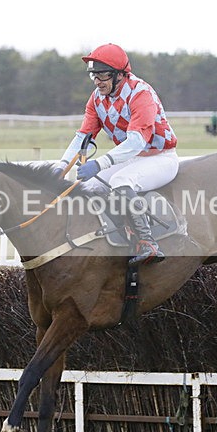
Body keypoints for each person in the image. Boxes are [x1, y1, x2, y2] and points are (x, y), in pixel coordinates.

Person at [53, 43, 178, 266]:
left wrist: (99, 164)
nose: (97, 81)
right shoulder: (96, 99)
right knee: (88, 187)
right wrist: (60, 167)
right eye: (94, 75)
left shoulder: (141, 94)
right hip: (131, 158)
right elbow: (82, 136)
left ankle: (148, 244)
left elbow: (136, 142)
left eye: (102, 75)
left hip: (160, 157)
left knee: (121, 181)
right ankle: (108, 239)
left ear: (120, 74)